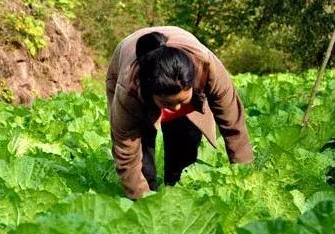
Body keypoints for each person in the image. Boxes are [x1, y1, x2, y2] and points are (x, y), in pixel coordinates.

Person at [106, 26, 253, 200]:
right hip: (128, 59)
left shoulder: (207, 67)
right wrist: (145, 206)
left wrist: (246, 180)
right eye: (167, 103)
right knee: (144, 164)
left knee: (185, 151)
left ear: (192, 83)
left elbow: (234, 127)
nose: (175, 108)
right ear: (149, 92)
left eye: (181, 101)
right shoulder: (129, 89)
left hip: (186, 66)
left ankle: (176, 190)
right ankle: (150, 191)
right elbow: (126, 153)